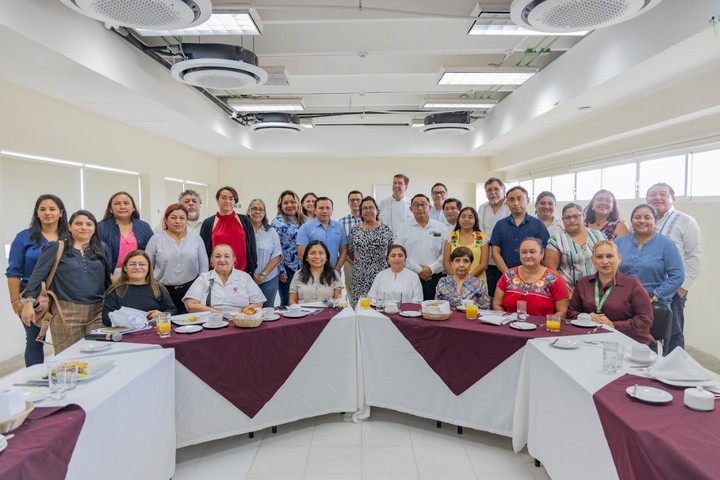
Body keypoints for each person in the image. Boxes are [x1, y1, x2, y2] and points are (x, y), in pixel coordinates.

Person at [21, 210, 112, 354]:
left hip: (97, 312)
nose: (84, 227)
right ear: (69, 227)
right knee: (68, 360)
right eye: (78, 223)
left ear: (95, 228)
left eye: (89, 224)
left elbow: (108, 281)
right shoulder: (56, 247)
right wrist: (28, 303)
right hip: (66, 313)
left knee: (97, 356)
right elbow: (36, 277)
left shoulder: (102, 248)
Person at [6, 194, 69, 366]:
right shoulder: (24, 237)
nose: (47, 213)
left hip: (64, 295)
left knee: (65, 340)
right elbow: (13, 271)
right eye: (42, 209)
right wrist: (15, 301)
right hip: (32, 297)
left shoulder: (69, 237)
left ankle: (64, 378)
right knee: (35, 341)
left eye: (52, 209)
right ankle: (35, 385)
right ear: (37, 213)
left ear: (61, 213)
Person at [646, 182, 703, 352]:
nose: (657, 197)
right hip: (644, 287)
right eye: (652, 194)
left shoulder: (686, 221)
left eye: (663, 194)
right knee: (644, 330)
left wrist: (682, 288)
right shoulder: (641, 220)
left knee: (672, 332)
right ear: (646, 199)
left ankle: (674, 372)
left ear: (673, 198)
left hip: (672, 289)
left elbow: (695, 256)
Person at [568, 241, 654, 346]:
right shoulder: (583, 283)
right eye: (599, 257)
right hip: (590, 340)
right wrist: (585, 317)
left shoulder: (633, 284)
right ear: (592, 260)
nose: (605, 261)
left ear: (619, 258)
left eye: (609, 256)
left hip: (628, 342)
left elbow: (645, 319)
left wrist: (613, 324)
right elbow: (571, 312)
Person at [615, 204, 684, 308]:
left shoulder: (666, 244)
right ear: (632, 222)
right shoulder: (619, 242)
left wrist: (654, 295)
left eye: (647, 218)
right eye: (637, 217)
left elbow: (677, 275)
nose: (642, 221)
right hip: (622, 300)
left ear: (655, 221)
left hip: (653, 303)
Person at [146, 203, 209, 314]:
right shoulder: (156, 239)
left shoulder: (196, 239)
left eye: (182, 218)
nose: (178, 221)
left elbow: (204, 268)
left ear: (187, 220)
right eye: (173, 218)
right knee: (165, 325)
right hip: (162, 291)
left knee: (190, 324)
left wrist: (201, 290)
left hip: (191, 290)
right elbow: (147, 266)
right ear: (166, 220)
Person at [492, 237, 569, 317]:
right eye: (524, 252)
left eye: (533, 252)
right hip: (510, 326)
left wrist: (546, 325)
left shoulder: (554, 278)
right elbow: (497, 304)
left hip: (542, 327)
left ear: (542, 254)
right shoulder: (508, 276)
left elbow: (562, 311)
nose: (528, 256)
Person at [183, 244, 265, 316]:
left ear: (233, 260)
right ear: (212, 260)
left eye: (227, 256)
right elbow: (190, 305)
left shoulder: (245, 277)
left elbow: (258, 302)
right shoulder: (204, 278)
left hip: (240, 322)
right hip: (210, 322)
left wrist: (241, 314)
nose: (222, 260)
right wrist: (214, 312)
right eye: (218, 256)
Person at [102, 250, 176, 326]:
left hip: (154, 332)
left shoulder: (158, 288)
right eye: (132, 264)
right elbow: (106, 319)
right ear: (125, 268)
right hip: (126, 334)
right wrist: (128, 319)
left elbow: (172, 310)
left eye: (142, 264)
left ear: (148, 268)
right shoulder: (114, 291)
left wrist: (161, 315)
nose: (137, 267)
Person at [396, 194, 448, 300]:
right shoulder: (403, 228)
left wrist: (431, 269)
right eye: (416, 205)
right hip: (410, 276)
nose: (420, 208)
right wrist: (419, 270)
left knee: (432, 310)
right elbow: (399, 253)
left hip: (435, 277)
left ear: (429, 207)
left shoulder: (441, 227)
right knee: (410, 310)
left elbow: (445, 253)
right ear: (411, 209)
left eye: (423, 205)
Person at [545, 203, 605, 293]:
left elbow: (608, 261)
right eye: (567, 217)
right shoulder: (556, 240)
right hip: (568, 293)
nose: (572, 220)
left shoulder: (597, 235)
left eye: (576, 216)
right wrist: (566, 294)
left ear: (584, 216)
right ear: (562, 219)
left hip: (598, 291)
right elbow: (551, 273)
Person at [490, 186, 550, 274]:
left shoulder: (538, 225)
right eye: (511, 199)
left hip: (532, 276)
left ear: (528, 200)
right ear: (507, 203)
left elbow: (544, 252)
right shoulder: (500, 225)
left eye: (520, 199)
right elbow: (495, 252)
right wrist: (507, 274)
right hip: (505, 276)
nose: (516, 203)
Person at [199, 186, 257, 275]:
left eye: (231, 198)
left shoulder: (245, 220)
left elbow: (252, 246)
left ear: (235, 202)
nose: (227, 201)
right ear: (217, 200)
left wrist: (253, 267)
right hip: (216, 274)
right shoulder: (208, 223)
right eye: (224, 198)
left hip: (242, 273)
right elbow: (203, 252)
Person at [347, 196, 394, 305]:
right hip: (360, 275)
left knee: (381, 305)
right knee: (360, 306)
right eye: (364, 208)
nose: (368, 211)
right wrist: (361, 262)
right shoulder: (355, 230)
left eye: (371, 207)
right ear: (361, 212)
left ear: (377, 210)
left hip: (381, 273)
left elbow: (392, 250)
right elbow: (349, 251)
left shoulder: (386, 229)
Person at [97, 191, 154, 277]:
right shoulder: (101, 227)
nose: (122, 206)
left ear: (133, 208)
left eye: (126, 203)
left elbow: (151, 252)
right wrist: (110, 276)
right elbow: (97, 255)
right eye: (117, 203)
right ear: (110, 209)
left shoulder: (144, 227)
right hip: (111, 274)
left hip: (139, 272)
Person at [271, 190, 307, 306]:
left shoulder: (306, 220)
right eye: (286, 203)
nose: (290, 205)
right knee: (287, 301)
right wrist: (280, 270)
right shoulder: (277, 222)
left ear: (298, 204)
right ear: (281, 206)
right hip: (287, 269)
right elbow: (275, 248)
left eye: (292, 202)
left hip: (305, 268)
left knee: (305, 300)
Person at [478, 178, 510, 298]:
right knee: (490, 292)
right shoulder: (483, 208)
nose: (493, 192)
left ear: (503, 190)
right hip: (487, 259)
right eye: (489, 190)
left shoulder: (509, 207)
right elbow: (480, 231)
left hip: (505, 258)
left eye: (496, 189)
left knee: (505, 294)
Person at [247, 199, 283, 307]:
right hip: (246, 279)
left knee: (268, 311)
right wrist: (251, 275)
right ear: (248, 211)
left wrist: (263, 275)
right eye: (254, 209)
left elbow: (277, 255)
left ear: (264, 213)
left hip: (268, 278)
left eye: (260, 209)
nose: (257, 212)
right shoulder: (242, 230)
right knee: (248, 311)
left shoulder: (271, 232)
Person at [296, 196, 347, 271]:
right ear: (315, 210)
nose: (325, 211)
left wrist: (337, 269)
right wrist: (316, 271)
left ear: (332, 210)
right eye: (321, 208)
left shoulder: (339, 227)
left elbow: (344, 251)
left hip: (334, 273)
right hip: (312, 274)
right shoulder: (305, 228)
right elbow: (301, 254)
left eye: (328, 208)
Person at [443, 206, 489, 285]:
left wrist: (468, 280)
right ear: (459, 219)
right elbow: (446, 262)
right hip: (453, 282)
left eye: (470, 217)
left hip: (476, 282)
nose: (466, 219)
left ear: (475, 220)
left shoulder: (482, 238)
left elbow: (483, 264)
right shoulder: (451, 237)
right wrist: (456, 279)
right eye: (463, 216)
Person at [289, 240, 343, 304]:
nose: (317, 256)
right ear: (306, 257)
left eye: (321, 253)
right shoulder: (298, 275)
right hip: (303, 313)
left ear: (326, 257)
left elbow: (337, 300)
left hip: (327, 313)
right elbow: (292, 300)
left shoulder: (334, 275)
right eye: (312, 253)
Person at [340, 190, 363, 301]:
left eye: (358, 199)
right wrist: (350, 260)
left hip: (369, 262)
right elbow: (342, 245)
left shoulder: (371, 219)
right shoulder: (342, 222)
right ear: (348, 202)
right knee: (351, 289)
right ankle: (353, 313)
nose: (355, 202)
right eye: (352, 200)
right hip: (349, 261)